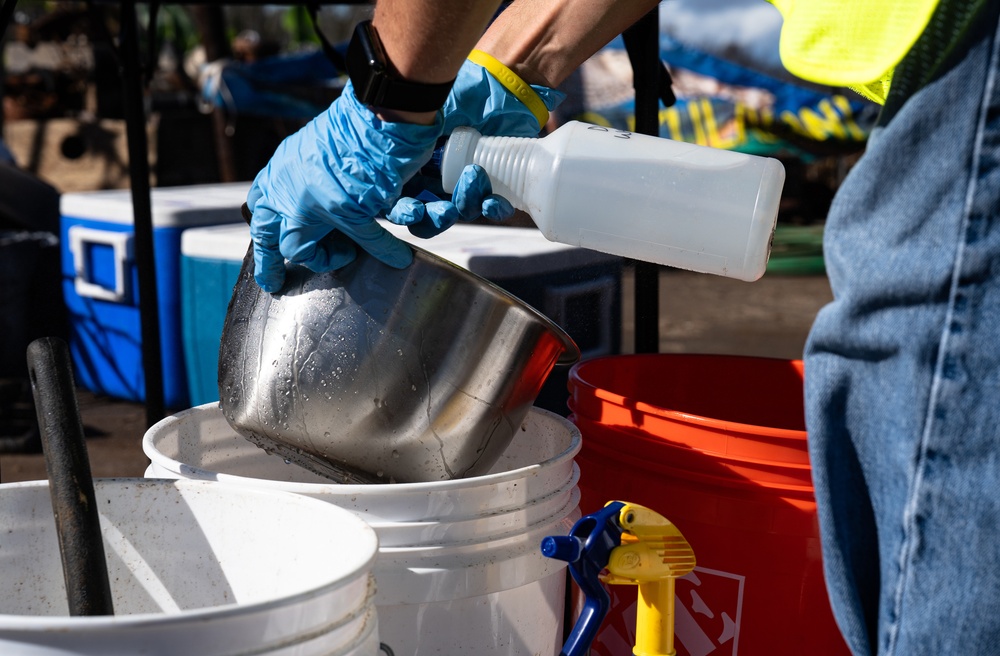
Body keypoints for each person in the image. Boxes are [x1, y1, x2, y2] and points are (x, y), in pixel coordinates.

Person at [246, 1, 1000, 654]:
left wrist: (384, 102)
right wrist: (511, 64)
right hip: (945, 60)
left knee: (931, 453)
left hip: (970, 47)